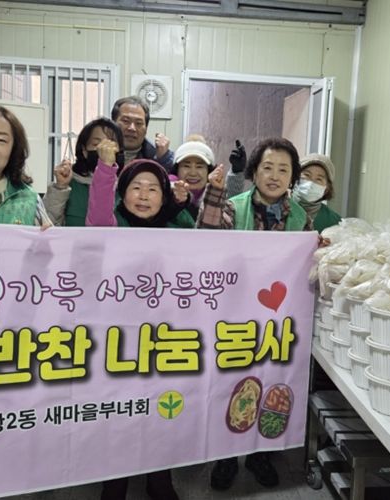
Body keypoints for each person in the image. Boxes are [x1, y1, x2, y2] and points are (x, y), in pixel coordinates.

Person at [197, 137, 310, 491]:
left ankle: (261, 454)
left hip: (279, 320)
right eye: (267, 168)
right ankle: (225, 457)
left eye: (283, 170)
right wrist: (214, 194)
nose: (274, 176)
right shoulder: (234, 206)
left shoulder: (301, 218)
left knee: (273, 382)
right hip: (235, 316)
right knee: (230, 384)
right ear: (254, 172)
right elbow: (206, 239)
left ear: (292, 177)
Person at [85, 141, 189, 500]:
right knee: (119, 416)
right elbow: (99, 212)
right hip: (117, 344)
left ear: (164, 197)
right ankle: (115, 482)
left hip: (163, 342)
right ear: (123, 193)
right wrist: (106, 169)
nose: (144, 196)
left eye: (153, 189)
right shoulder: (110, 227)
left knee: (161, 414)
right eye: (135, 188)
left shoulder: (176, 232)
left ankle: (160, 479)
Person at [43, 117, 125, 226]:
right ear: (84, 150)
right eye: (96, 144)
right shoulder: (70, 183)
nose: (104, 151)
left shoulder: (126, 187)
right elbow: (47, 223)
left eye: (110, 146)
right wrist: (60, 188)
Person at [111, 96, 174, 171]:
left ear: (146, 129)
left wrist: (163, 159)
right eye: (126, 121)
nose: (132, 128)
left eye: (138, 123)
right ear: (112, 124)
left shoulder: (157, 157)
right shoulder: (99, 153)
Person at [171, 135, 219, 220]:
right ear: (176, 170)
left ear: (209, 171)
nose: (193, 173)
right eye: (186, 166)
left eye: (199, 167)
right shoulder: (166, 192)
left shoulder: (216, 194)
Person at [293, 153, 341, 232]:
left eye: (319, 179)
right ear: (295, 177)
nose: (311, 183)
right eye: (307, 175)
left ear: (327, 188)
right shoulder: (280, 209)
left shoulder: (335, 223)